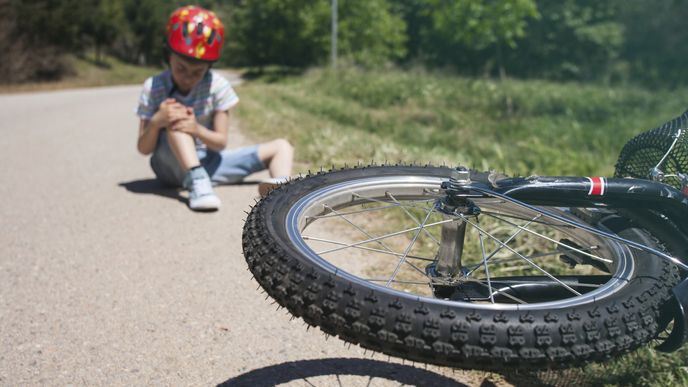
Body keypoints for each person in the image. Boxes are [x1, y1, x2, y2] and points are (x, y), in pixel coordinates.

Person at [135, 5, 293, 211]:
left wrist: (197, 129)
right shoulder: (153, 86)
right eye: (181, 68)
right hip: (168, 168)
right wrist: (157, 121)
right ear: (168, 57)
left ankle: (283, 193)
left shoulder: (217, 86)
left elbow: (220, 143)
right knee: (177, 118)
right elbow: (143, 149)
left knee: (282, 146)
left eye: (197, 72)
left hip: (208, 163)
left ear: (208, 68)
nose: (188, 77)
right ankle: (197, 183)